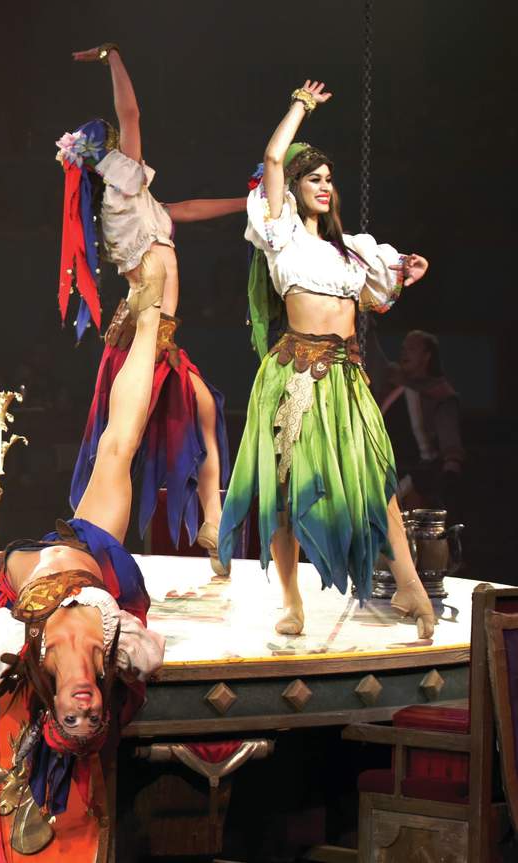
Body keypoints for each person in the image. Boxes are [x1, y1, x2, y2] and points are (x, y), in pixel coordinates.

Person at [0, 144, 168, 860]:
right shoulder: (120, 652)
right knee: (118, 447)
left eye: (72, 719)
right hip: (87, 550)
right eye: (91, 718)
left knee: (112, 453)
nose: (85, 708)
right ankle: (149, 324)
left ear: (55, 708)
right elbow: (148, 643)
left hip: (21, 566)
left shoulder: (17, 654)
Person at [217, 81, 435, 638]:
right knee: (287, 491)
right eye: (312, 178)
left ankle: (409, 586)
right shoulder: (281, 235)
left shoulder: (353, 249)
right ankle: (291, 601)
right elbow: (271, 156)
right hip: (295, 374)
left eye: (328, 180)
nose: (324, 186)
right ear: (290, 190)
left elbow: (377, 297)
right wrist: (301, 105)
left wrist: (407, 273)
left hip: (345, 376)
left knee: (375, 482)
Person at [61, 43, 240, 578]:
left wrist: (245, 204)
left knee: (205, 410)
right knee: (126, 441)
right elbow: (131, 113)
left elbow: (185, 209)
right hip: (144, 327)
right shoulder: (123, 185)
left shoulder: (139, 203)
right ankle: (92, 538)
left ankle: (213, 520)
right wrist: (114, 57)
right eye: (122, 147)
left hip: (157, 329)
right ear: (112, 158)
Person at [378, 330, 464, 510]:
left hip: (419, 480)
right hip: (386, 475)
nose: (404, 352)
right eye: (403, 348)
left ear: (426, 355)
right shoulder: (395, 387)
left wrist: (451, 468)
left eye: (411, 348)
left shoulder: (439, 394)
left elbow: (449, 437)